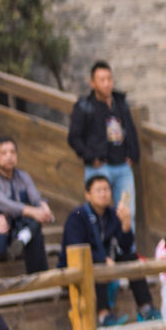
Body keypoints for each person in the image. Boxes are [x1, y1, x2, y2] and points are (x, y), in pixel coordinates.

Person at [63, 173, 157, 324]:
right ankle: (103, 316)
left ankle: (146, 309)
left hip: (108, 260)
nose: (103, 194)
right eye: (98, 190)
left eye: (106, 189)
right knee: (98, 265)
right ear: (88, 195)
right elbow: (74, 248)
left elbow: (125, 248)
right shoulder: (77, 216)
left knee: (131, 258)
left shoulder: (113, 214)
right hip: (82, 265)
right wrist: (102, 259)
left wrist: (126, 225)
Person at [66, 61, 140, 226]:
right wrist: (91, 158)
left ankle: (128, 251)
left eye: (109, 79)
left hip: (123, 167)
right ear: (92, 83)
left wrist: (133, 154)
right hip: (99, 167)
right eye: (102, 80)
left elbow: (131, 129)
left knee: (128, 212)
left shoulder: (119, 102)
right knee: (96, 212)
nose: (107, 84)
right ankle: (100, 249)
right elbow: (74, 137)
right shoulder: (85, 106)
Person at [0, 136, 54, 275]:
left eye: (12, 152)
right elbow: (4, 203)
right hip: (2, 228)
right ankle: (24, 237)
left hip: (19, 225)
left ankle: (40, 283)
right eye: (3, 153)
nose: (9, 156)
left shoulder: (23, 176)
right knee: (33, 226)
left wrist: (44, 207)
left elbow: (35, 197)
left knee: (35, 232)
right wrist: (32, 211)